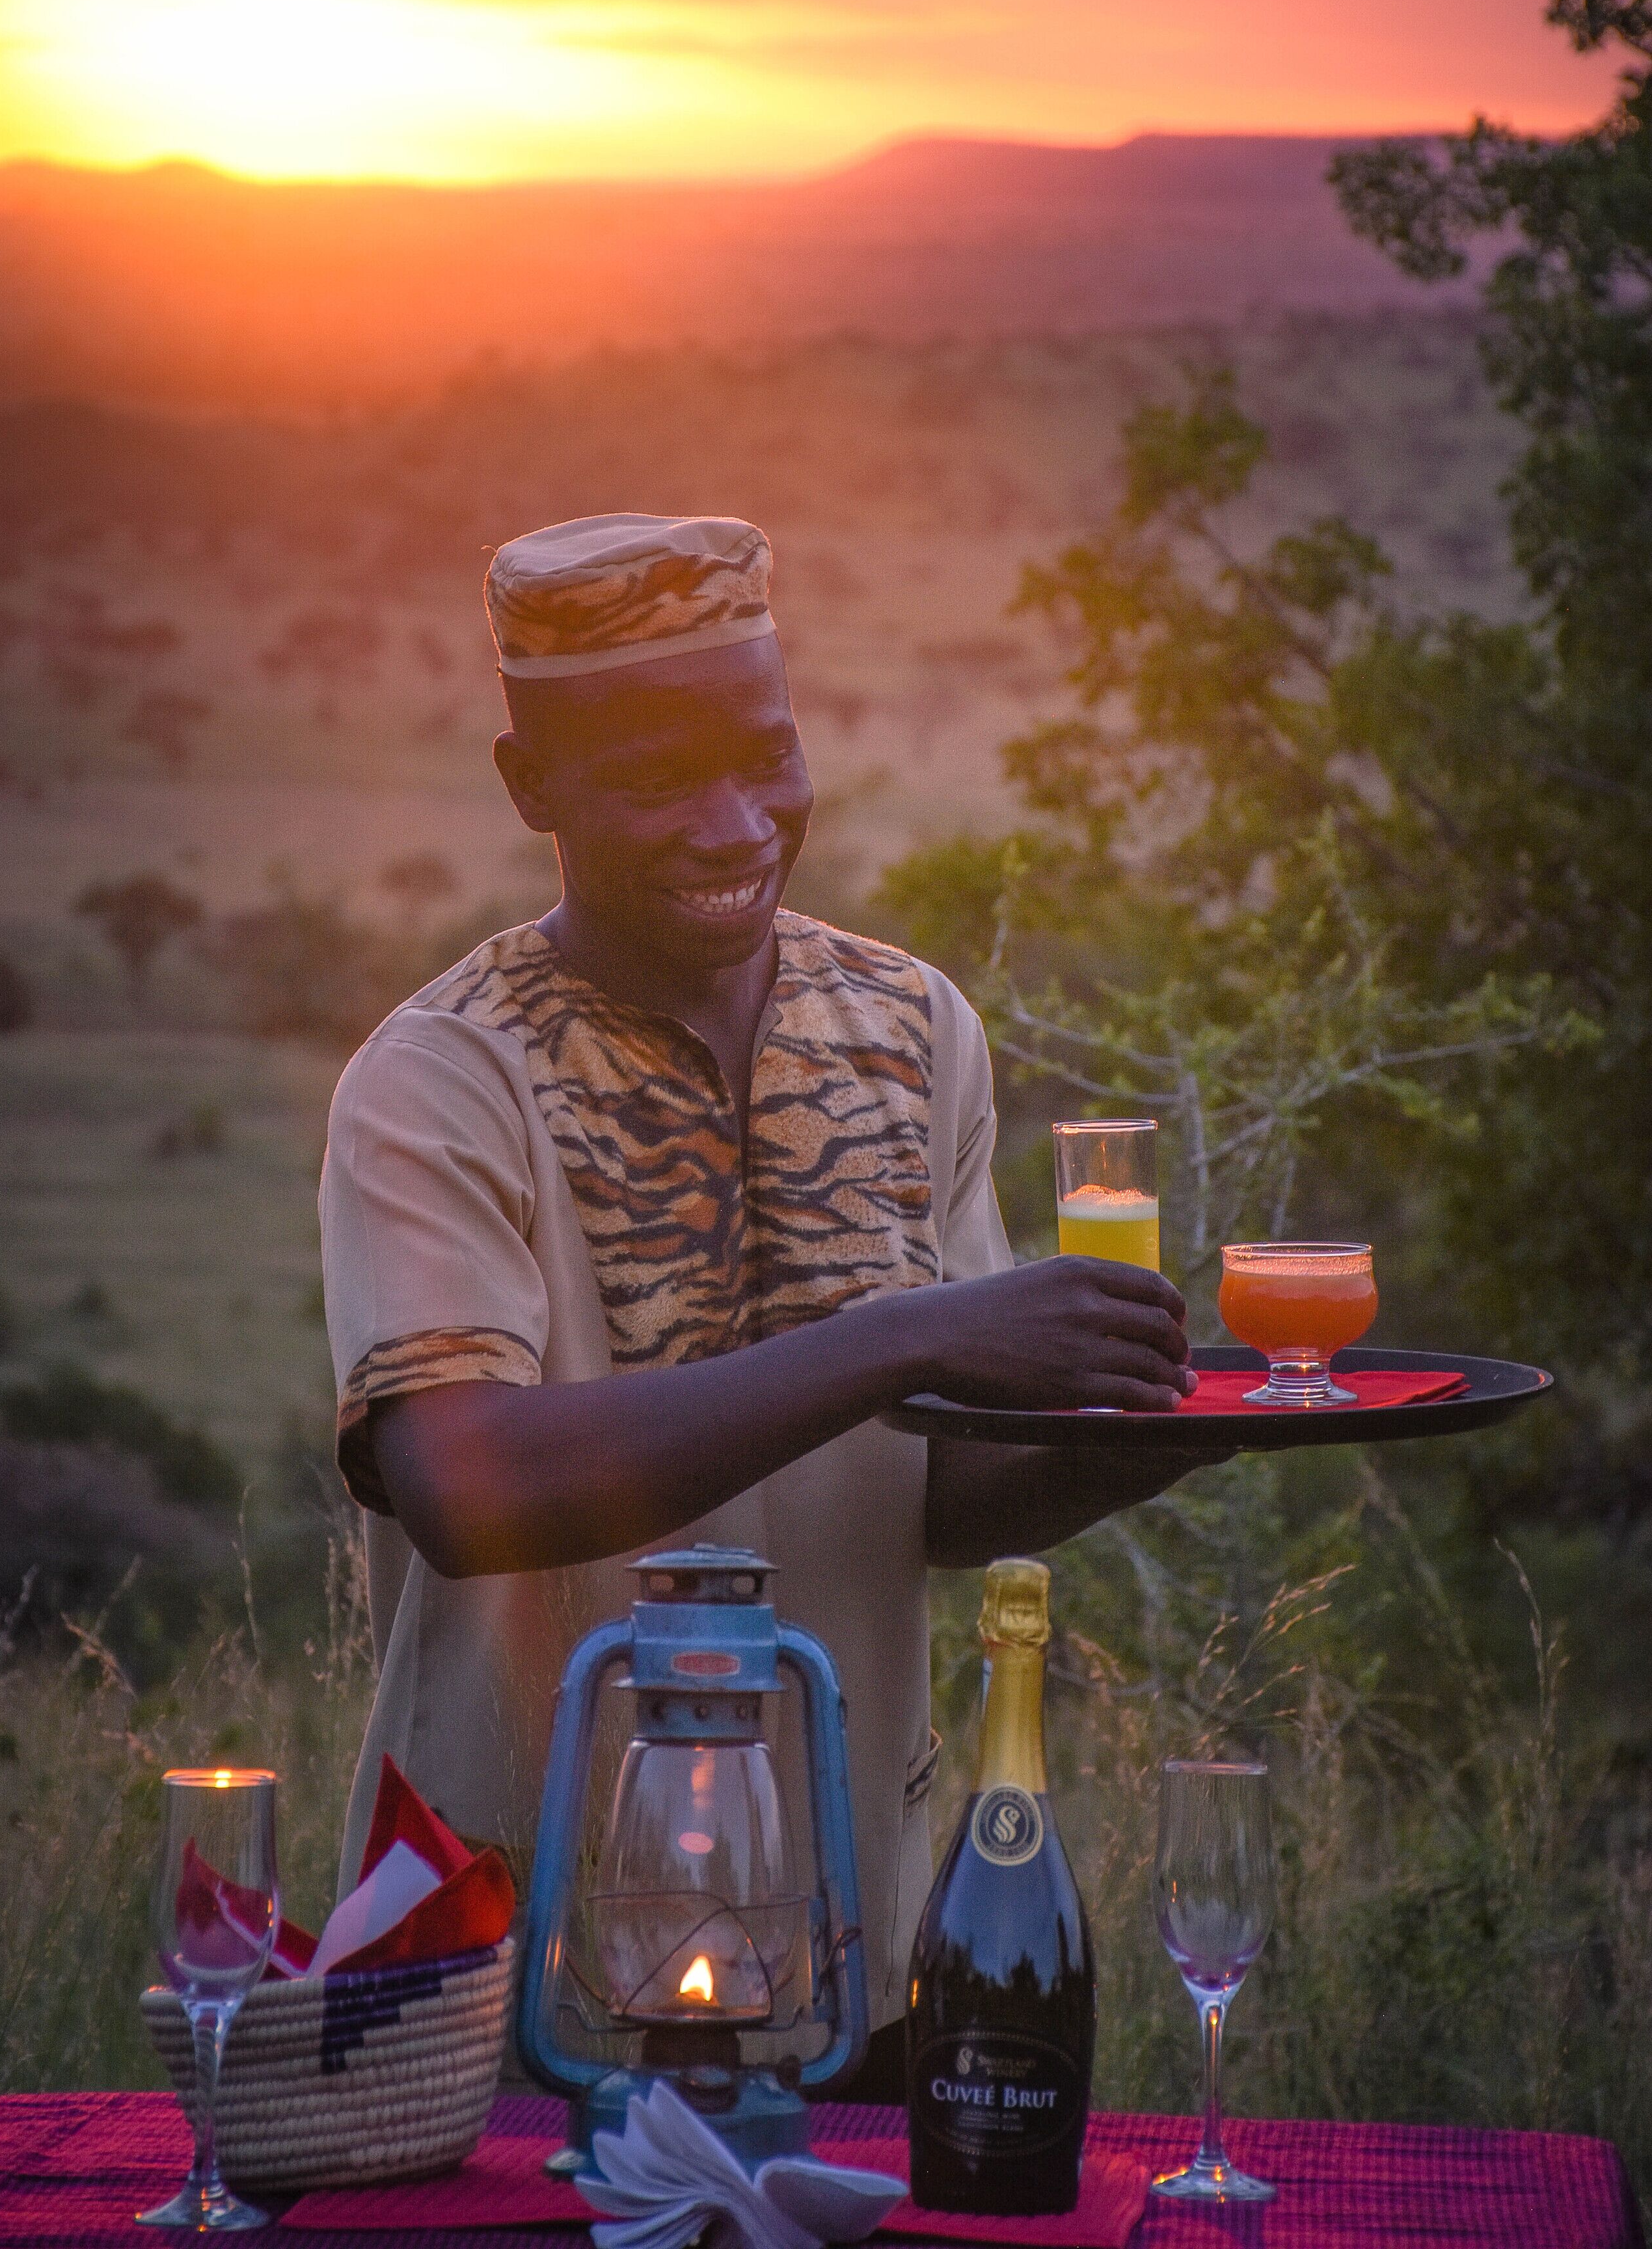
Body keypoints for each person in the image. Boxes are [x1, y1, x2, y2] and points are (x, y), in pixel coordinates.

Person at [319, 513, 1214, 2098]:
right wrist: (908, 1331)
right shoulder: (441, 1074)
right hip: (501, 1969)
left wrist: (1162, 1426)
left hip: (852, 1944)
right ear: (531, 788)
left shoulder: (909, 1025)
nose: (736, 823)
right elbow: (463, 1487)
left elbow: (932, 1497)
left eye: (769, 758)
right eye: (659, 779)